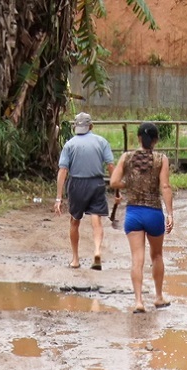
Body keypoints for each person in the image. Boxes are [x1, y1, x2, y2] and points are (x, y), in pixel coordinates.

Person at [109, 122, 174, 313]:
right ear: (155, 140)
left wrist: (130, 184)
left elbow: (114, 182)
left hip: (134, 214)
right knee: (157, 255)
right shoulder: (161, 159)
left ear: (138, 138)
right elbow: (165, 187)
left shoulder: (127, 157)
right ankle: (159, 297)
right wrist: (170, 214)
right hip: (153, 212)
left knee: (137, 259)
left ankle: (138, 301)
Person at [55, 112, 117, 270]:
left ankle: (75, 259)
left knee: (75, 221)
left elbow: (63, 171)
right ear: (91, 126)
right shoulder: (101, 142)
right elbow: (111, 166)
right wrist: (116, 189)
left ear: (76, 127)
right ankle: (96, 251)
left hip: (76, 185)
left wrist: (58, 198)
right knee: (96, 221)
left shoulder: (69, 145)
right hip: (96, 183)